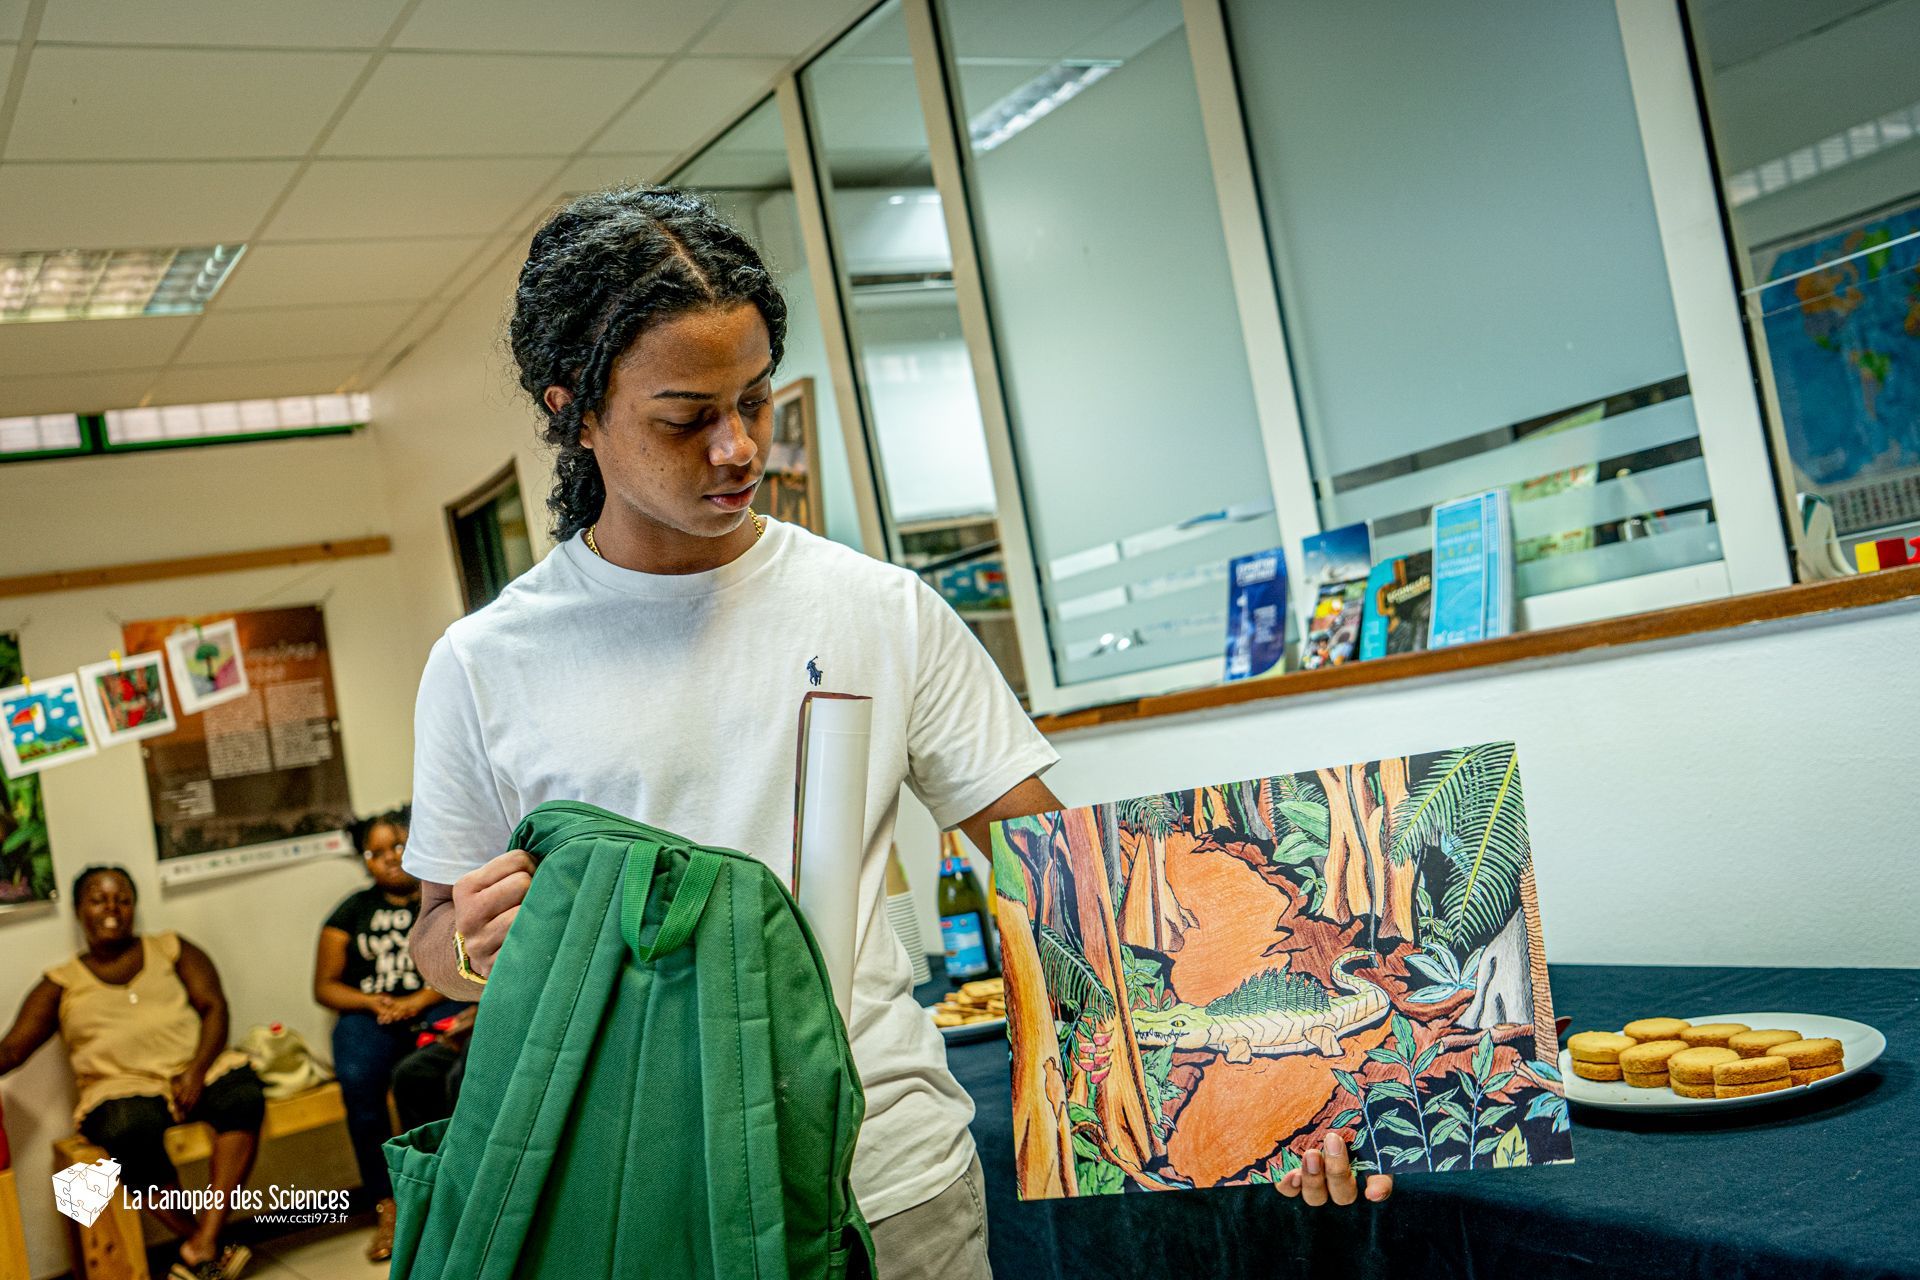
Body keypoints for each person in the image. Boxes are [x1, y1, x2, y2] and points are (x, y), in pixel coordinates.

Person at [402, 185, 1389, 1280]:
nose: (738, 447)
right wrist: (477, 941)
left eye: (757, 400)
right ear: (573, 410)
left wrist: (1297, 1081)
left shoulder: (878, 608)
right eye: (685, 416)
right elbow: (437, 942)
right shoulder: (488, 661)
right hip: (643, 1198)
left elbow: (1070, 885)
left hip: (887, 1185)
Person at [0, 866, 261, 1280]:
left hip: (191, 1073)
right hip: (120, 1091)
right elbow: (13, 1047)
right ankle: (204, 1245)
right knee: (125, 1130)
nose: (111, 908)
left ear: (134, 906)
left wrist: (195, 1071)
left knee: (242, 1094)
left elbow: (215, 1007)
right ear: (79, 910)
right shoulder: (61, 982)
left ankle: (204, 1241)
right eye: (98, 899)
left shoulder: (172, 948)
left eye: (121, 899)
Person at [313, 806, 458, 1263]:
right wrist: (372, 1003)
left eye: (397, 846)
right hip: (373, 1014)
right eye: (374, 853)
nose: (389, 858)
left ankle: (446, 1193)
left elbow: (467, 961)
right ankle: (389, 1204)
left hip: (436, 1002)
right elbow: (325, 985)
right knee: (358, 1079)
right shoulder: (350, 911)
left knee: (440, 1077)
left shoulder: (442, 897)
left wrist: (421, 999)